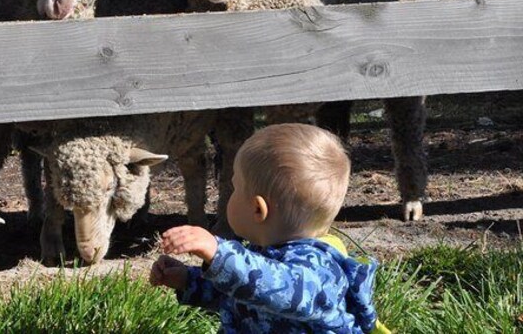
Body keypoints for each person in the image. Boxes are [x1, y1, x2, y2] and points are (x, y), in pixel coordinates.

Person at [150, 123, 382, 333]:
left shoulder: (316, 268)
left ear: (257, 209)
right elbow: (241, 292)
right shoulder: (260, 257)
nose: (229, 196)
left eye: (235, 188)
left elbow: (278, 289)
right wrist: (187, 280)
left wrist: (220, 254)